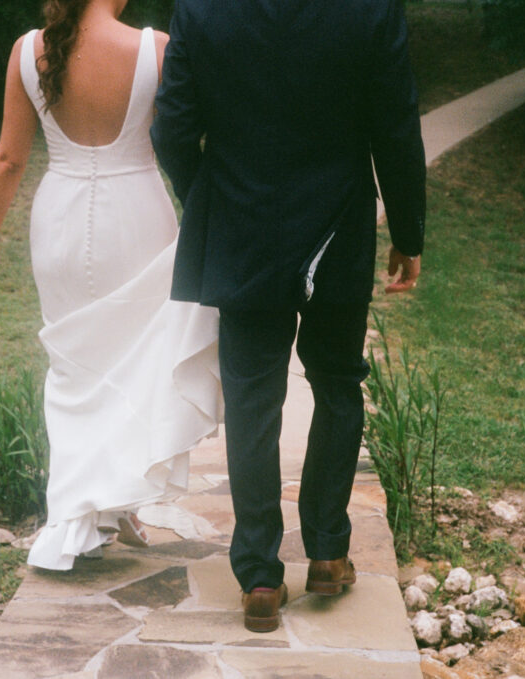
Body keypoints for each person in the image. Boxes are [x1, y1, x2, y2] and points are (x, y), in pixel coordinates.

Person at [152, 0, 426, 632]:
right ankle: (328, 551)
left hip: (243, 224)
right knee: (336, 382)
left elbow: (170, 128)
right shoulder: (372, 10)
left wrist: (210, 195)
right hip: (338, 225)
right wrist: (408, 233)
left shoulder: (201, 10)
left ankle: (258, 577)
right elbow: (395, 123)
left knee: (252, 398)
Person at [0, 0, 222, 571]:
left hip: (58, 220)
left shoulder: (27, 49)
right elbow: (183, 138)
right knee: (135, 364)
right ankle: (105, 504)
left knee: (75, 370)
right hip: (136, 216)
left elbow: (9, 158)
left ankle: (90, 511)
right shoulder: (154, 49)